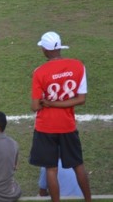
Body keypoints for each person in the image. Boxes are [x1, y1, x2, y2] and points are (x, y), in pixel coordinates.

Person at [29, 31, 92, 202]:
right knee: (78, 165)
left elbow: (35, 106)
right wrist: (57, 103)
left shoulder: (39, 72)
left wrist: (48, 103)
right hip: (68, 125)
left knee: (51, 169)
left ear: (45, 49)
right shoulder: (78, 65)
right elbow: (81, 99)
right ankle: (89, 200)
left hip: (45, 127)